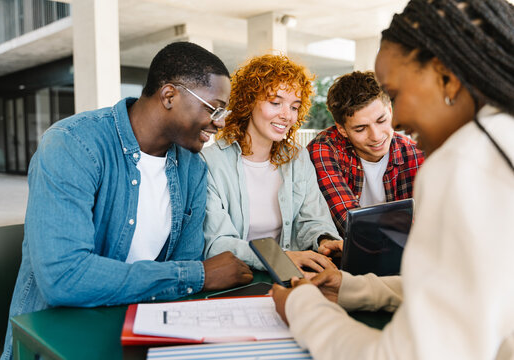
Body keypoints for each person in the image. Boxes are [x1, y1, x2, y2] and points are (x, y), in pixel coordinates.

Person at [271, 0, 514, 359]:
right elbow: (465, 288)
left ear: (446, 77)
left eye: (395, 97)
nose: (395, 124)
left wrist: (302, 307)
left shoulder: (462, 162)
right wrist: (356, 289)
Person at [1, 42, 253, 359]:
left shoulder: (192, 168)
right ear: (170, 96)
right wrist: (197, 275)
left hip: (140, 333)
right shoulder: (73, 144)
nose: (220, 122)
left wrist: (190, 277)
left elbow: (184, 266)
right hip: (56, 341)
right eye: (214, 108)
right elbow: (64, 278)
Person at [201, 54, 343, 273]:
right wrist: (280, 259)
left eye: (294, 107)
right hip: (239, 280)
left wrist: (324, 241)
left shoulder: (298, 159)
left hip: (293, 276)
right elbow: (217, 244)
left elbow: (314, 220)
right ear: (248, 102)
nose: (287, 115)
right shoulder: (210, 162)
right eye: (276, 103)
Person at [307, 71, 424, 236]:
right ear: (342, 129)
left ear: (390, 110)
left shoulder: (416, 154)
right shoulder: (325, 148)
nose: (376, 136)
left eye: (381, 120)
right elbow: (350, 223)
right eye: (360, 128)